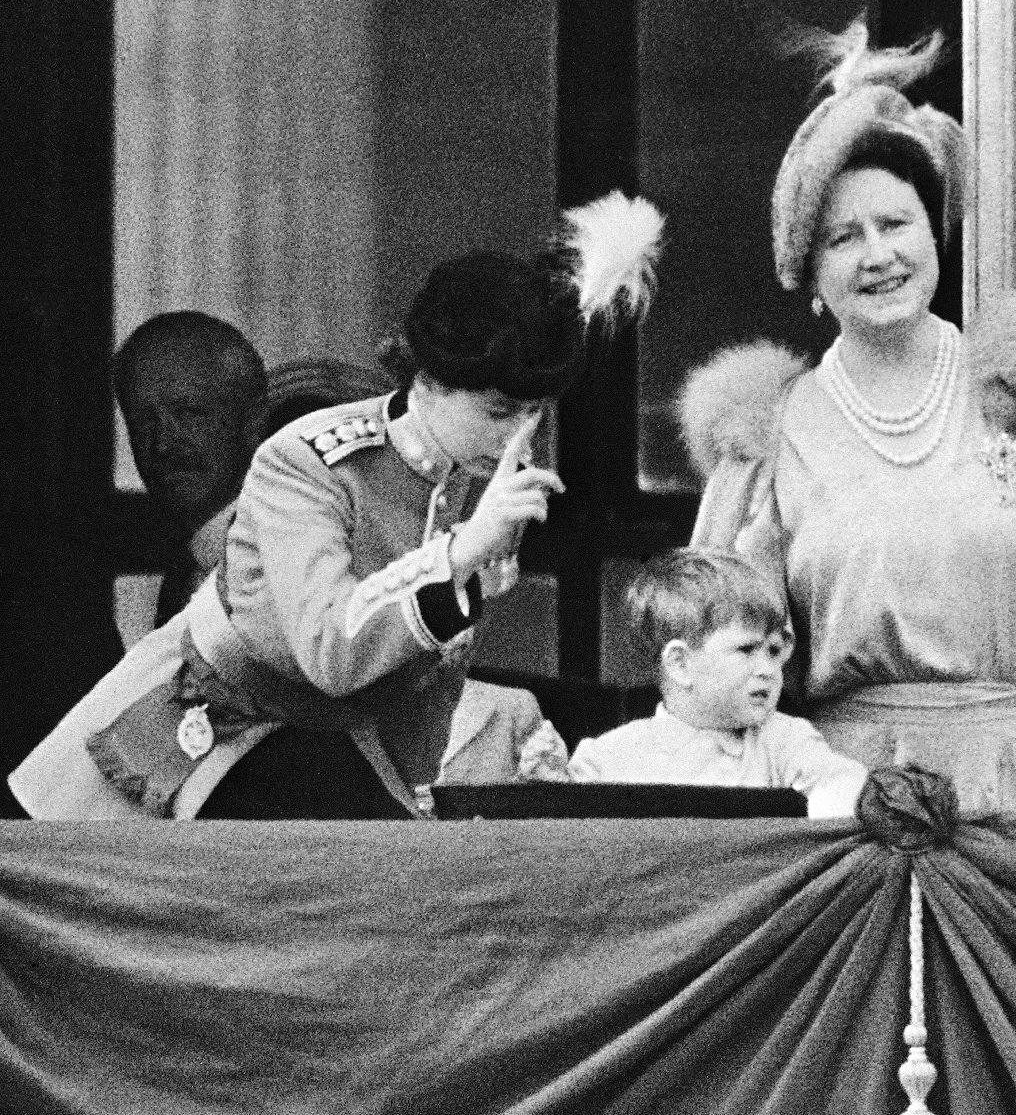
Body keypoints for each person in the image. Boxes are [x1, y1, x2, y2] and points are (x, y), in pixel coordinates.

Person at [9, 191, 664, 820]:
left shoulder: (472, 477)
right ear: (429, 383)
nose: (518, 437)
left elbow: (431, 671)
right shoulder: (304, 462)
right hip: (196, 745)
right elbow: (331, 653)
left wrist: (417, 788)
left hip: (329, 743)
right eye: (498, 412)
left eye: (532, 414)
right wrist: (460, 554)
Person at [681, 21, 1016, 815]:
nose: (876, 255)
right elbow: (714, 640)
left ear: (936, 233)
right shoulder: (771, 433)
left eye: (895, 224)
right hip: (846, 802)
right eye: (843, 238)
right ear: (810, 272)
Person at [564, 549, 867, 818]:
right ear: (680, 664)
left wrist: (836, 806)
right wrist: (549, 780)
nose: (769, 670)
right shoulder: (610, 757)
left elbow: (840, 782)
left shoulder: (785, 741)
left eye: (774, 650)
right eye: (746, 649)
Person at [114, 311, 270, 626]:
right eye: (143, 421)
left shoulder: (284, 562)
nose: (162, 444)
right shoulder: (188, 565)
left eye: (188, 413)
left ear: (252, 421)